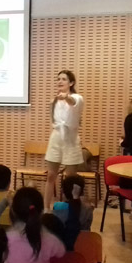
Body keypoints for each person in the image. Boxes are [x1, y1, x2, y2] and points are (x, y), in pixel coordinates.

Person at [44, 70, 85, 210]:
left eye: (64, 79)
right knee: (51, 175)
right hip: (56, 137)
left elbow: (72, 101)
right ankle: (46, 208)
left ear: (71, 83)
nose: (60, 81)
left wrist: (66, 96)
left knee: (70, 177)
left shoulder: (78, 97)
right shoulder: (54, 101)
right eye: (58, 79)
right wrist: (59, 98)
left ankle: (71, 208)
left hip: (71, 139)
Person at [4, 187, 65, 263]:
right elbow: (61, 252)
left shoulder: (6, 238)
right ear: (41, 212)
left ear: (13, 211)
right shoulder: (49, 239)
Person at [52, 175, 94, 250]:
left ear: (62, 191)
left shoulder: (57, 207)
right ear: (82, 192)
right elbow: (86, 231)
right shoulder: (88, 209)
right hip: (82, 248)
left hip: (62, 250)